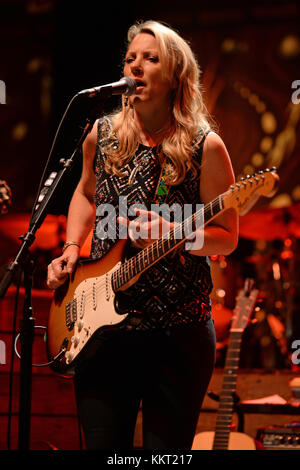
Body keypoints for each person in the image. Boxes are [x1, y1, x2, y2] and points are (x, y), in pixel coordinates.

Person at [47, 20, 238, 450]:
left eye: (150, 59)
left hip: (176, 331)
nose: (136, 66)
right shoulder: (103, 133)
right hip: (101, 328)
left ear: (174, 74)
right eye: (131, 58)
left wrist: (175, 234)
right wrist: (72, 248)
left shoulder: (204, 146)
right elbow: (84, 193)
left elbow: (227, 237)